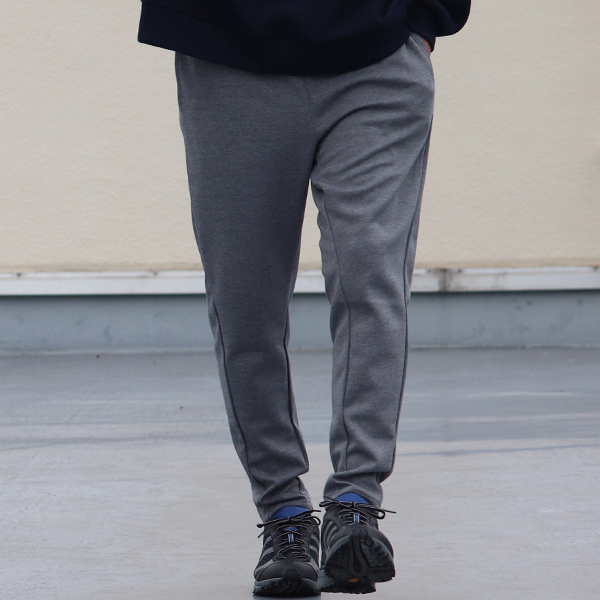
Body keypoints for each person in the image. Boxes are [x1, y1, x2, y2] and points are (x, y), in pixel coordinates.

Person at [138, 1, 470, 596]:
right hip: (229, 55)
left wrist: (425, 21)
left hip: (376, 57)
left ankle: (355, 503)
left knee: (371, 281)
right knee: (246, 304)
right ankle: (284, 515)